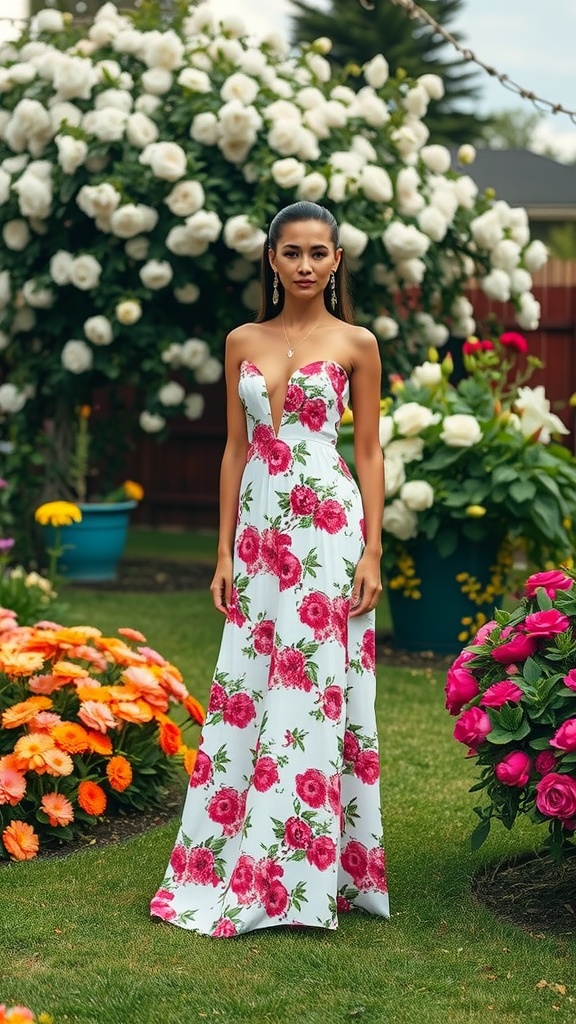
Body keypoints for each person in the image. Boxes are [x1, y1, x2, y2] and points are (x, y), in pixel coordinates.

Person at [150, 201, 389, 936]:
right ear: (273, 261)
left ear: (338, 260)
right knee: (251, 686)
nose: (307, 265)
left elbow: (371, 452)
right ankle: (237, 854)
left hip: (328, 530)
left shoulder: (358, 343)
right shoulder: (241, 340)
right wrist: (222, 549)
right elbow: (234, 447)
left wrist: (375, 548)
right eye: (293, 253)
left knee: (314, 689)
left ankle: (311, 874)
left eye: (321, 252)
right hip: (257, 535)